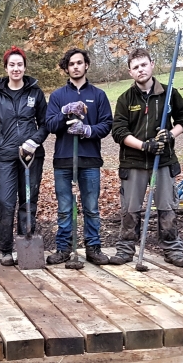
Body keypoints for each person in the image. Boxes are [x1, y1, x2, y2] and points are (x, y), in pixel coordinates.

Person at [109, 48, 183, 267]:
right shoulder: (125, 99)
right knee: (130, 209)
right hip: (133, 162)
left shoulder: (168, 94)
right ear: (130, 72)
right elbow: (118, 131)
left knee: (167, 207)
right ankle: (126, 249)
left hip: (163, 161)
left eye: (143, 65)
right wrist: (144, 146)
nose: (140, 70)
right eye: (135, 67)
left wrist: (170, 134)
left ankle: (173, 250)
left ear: (152, 64)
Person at [46, 48, 113, 265]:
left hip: (89, 159)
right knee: (65, 208)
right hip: (64, 160)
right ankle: (63, 248)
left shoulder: (98, 95)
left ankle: (93, 247)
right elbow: (51, 125)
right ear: (66, 68)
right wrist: (65, 111)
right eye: (71, 64)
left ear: (86, 65)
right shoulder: (57, 96)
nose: (75, 66)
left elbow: (106, 124)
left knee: (91, 208)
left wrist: (87, 130)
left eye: (79, 63)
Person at [0, 46, 48, 266]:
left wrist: (34, 141)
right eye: (12, 64)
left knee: (28, 201)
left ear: (24, 67)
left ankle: (25, 245)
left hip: (31, 156)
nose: (16, 68)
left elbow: (46, 123)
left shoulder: (35, 93)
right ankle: (5, 249)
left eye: (19, 64)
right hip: (5, 156)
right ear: (6, 68)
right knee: (5, 202)